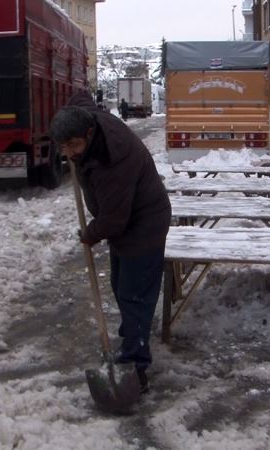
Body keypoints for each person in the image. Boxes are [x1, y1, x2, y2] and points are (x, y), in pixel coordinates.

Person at [51, 91, 171, 394]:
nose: (68, 154)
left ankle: (136, 363)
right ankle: (131, 337)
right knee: (122, 286)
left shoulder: (112, 161)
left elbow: (114, 219)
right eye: (62, 147)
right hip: (126, 227)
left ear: (89, 133)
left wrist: (90, 234)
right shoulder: (87, 119)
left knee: (134, 295)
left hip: (142, 227)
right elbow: (79, 97)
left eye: (73, 145)